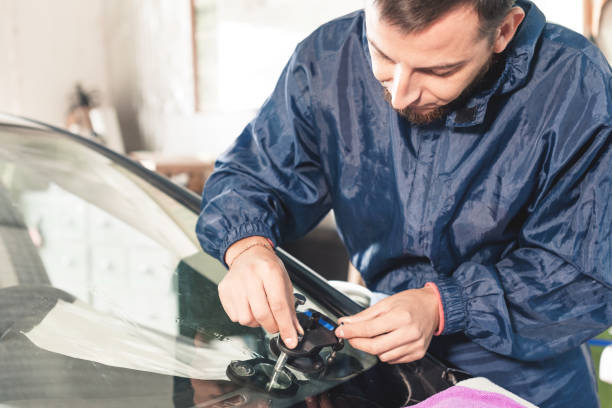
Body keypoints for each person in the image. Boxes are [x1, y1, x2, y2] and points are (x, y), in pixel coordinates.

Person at [196, 1, 612, 406]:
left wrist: (442, 305)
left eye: (439, 70)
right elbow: (253, 174)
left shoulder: (573, 82)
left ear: (504, 30)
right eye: (382, 55)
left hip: (525, 380)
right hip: (378, 364)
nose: (399, 95)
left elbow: (585, 270)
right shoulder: (328, 58)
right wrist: (247, 247)